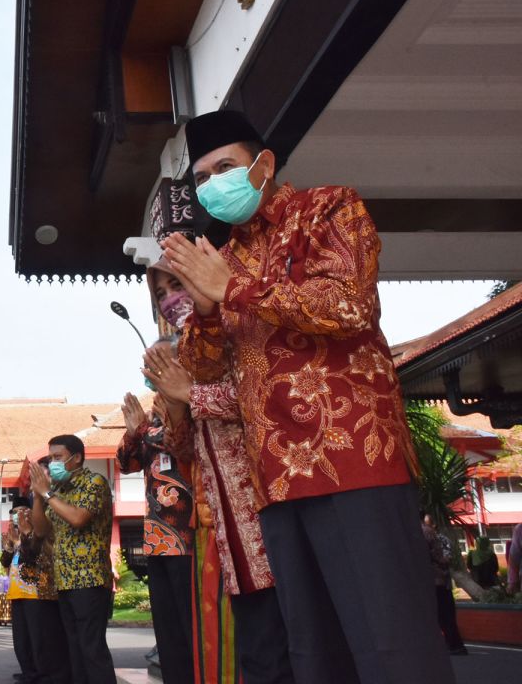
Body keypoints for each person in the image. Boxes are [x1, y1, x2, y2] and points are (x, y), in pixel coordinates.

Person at [166, 109, 454, 684]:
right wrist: (204, 307)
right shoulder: (226, 256)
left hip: (354, 461)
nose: (212, 185)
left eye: (224, 167)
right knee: (315, 656)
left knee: (391, 644)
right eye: (201, 179)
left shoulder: (328, 208)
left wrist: (232, 289)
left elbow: (349, 305)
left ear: (264, 166)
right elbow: (202, 368)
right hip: (274, 477)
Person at [143, 261, 293, 684]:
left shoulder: (244, 325)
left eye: (177, 283)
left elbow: (267, 393)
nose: (171, 298)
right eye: (160, 293)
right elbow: (185, 448)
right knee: (242, 643)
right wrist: (174, 403)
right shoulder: (188, 351)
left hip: (267, 504)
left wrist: (188, 392)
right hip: (218, 521)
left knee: (283, 638)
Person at [117, 375, 195, 684]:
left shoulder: (189, 409)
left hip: (189, 538)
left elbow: (179, 441)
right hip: (157, 540)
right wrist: (132, 432)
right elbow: (125, 463)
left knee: (191, 624)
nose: (151, 379)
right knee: (167, 628)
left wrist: (141, 430)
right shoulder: (150, 424)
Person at [29, 436, 115, 684]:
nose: (52, 463)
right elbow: (42, 530)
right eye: (50, 458)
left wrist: (46, 493)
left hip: (89, 579)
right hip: (64, 580)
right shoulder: (57, 492)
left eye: (58, 457)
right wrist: (37, 496)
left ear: (76, 457)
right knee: (75, 651)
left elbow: (78, 518)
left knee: (92, 650)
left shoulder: (94, 482)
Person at [4, 494, 70, 684]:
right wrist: (10, 544)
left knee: (39, 638)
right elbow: (5, 561)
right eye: (13, 514)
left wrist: (21, 539)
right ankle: (29, 673)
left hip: (37, 591)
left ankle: (42, 675)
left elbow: (32, 557)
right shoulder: (17, 534)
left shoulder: (40, 532)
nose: (16, 517)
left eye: (20, 513)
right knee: (21, 639)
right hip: (17, 592)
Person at [421, 513, 467, 655]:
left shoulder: (424, 534)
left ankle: (453, 644)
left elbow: (444, 558)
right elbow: (443, 559)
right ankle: (453, 644)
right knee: (445, 614)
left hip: (435, 580)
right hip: (439, 579)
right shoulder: (429, 534)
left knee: (443, 614)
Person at [509, 522, 522, 595]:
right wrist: (513, 581)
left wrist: (512, 582)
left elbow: (514, 557)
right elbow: (514, 558)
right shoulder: (520, 530)